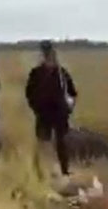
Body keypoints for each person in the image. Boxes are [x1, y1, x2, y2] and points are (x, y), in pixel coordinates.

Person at [25, 40, 78, 178]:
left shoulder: (62, 73)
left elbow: (72, 92)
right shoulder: (36, 73)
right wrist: (36, 107)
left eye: (50, 53)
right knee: (42, 142)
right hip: (43, 113)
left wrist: (70, 106)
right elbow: (29, 93)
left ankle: (64, 170)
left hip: (60, 113)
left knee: (62, 142)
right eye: (46, 53)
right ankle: (41, 171)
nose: (48, 56)